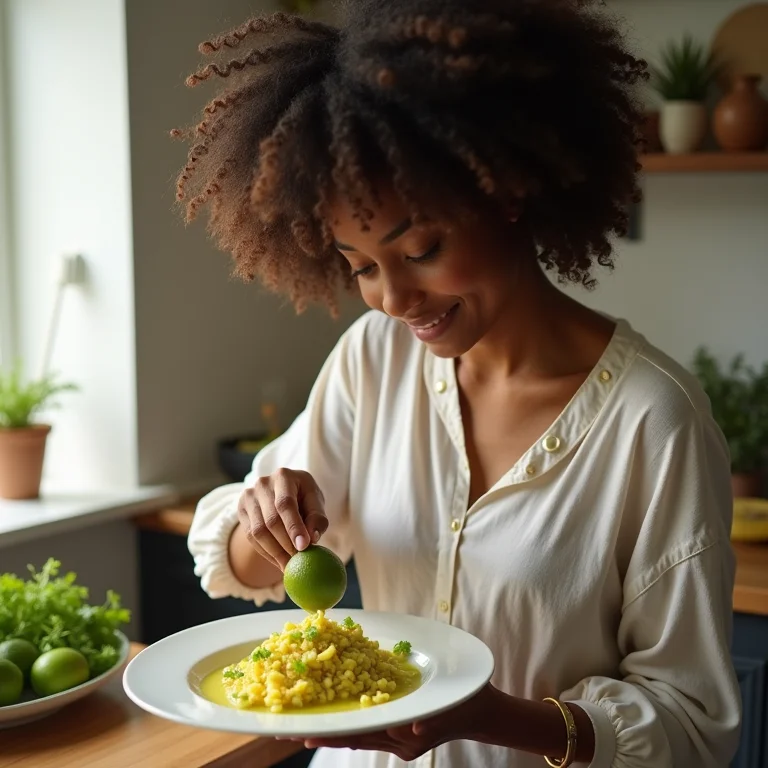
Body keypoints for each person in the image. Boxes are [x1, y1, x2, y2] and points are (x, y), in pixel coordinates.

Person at [181, 2, 741, 766]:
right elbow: (242, 566)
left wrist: (492, 717)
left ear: (504, 193)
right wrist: (264, 519)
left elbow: (691, 727)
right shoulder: (374, 359)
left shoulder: (654, 423)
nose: (392, 298)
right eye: (361, 266)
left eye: (422, 250)